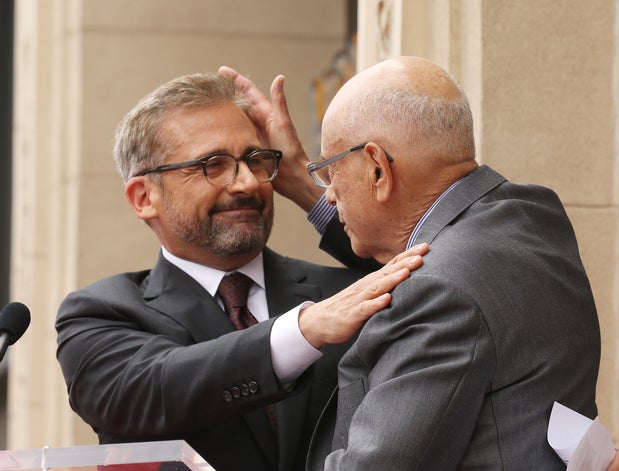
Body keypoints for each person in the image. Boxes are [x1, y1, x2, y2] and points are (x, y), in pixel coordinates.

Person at [221, 57, 603, 469]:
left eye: (330, 173)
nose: (328, 196)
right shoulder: (534, 215)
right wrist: (302, 182)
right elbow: (429, 250)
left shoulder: (437, 290)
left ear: (378, 169)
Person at [54, 72, 428, 471]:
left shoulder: (351, 293)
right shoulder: (100, 314)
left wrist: (302, 179)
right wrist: (303, 331)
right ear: (145, 197)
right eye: (213, 165)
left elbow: (437, 255)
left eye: (255, 160)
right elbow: (158, 388)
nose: (248, 182)